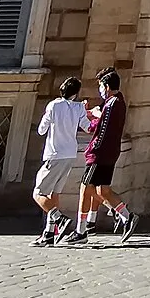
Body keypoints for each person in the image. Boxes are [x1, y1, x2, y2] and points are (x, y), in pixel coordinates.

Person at [64, 66, 134, 244]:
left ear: (107, 86)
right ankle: (126, 216)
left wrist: (92, 148)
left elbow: (100, 128)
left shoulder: (111, 105)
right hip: (110, 152)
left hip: (100, 153)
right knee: (102, 189)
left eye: (101, 86)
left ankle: (81, 231)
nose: (100, 90)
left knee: (85, 188)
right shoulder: (118, 102)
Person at [32, 76, 89, 246]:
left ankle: (59, 218)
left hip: (54, 154)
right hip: (70, 154)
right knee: (54, 193)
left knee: (38, 192)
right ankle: (49, 234)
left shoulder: (54, 105)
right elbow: (87, 127)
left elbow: (42, 130)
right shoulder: (79, 108)